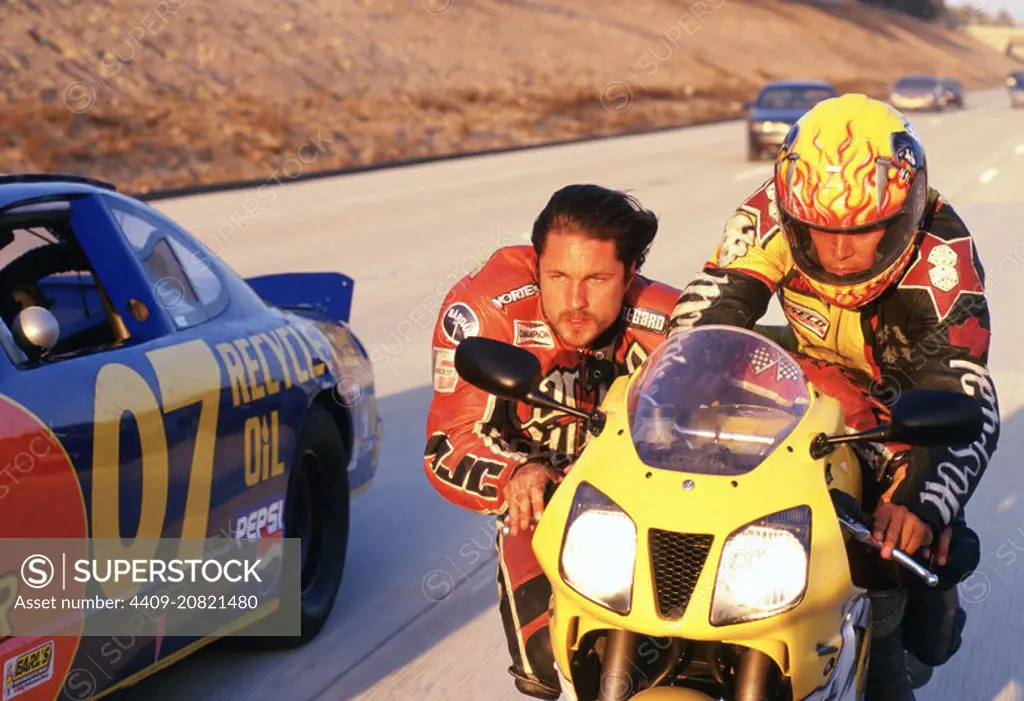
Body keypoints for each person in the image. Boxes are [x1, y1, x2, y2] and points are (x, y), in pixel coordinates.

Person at [668, 93, 999, 699]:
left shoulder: (944, 255)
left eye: (866, 231)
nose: (840, 250)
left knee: (922, 595)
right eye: (818, 232)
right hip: (800, 384)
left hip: (906, 404)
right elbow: (702, 320)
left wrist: (922, 502)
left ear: (906, 211)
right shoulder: (768, 211)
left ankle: (887, 651)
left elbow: (966, 394)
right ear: (792, 210)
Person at [423, 184, 682, 699]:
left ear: (630, 275)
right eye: (558, 276)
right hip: (541, 505)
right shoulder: (484, 313)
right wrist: (515, 474)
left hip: (652, 499)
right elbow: (447, 442)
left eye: (598, 279)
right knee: (548, 659)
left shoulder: (667, 317)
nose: (575, 301)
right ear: (537, 263)